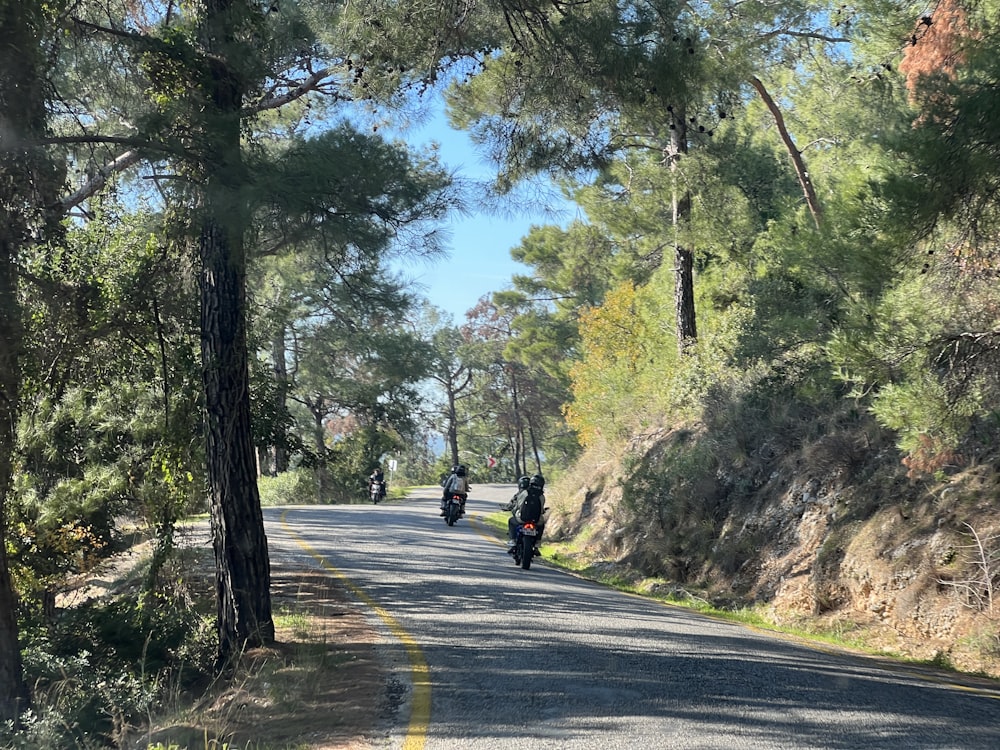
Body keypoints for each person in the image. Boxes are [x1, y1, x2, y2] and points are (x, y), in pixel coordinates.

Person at [507, 473, 546, 548]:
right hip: (536, 520)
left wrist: (514, 510)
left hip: (522, 518)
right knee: (542, 524)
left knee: (511, 521)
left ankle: (513, 540)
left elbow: (518, 505)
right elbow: (541, 509)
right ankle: (538, 541)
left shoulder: (524, 493)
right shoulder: (542, 496)